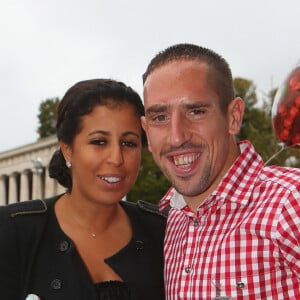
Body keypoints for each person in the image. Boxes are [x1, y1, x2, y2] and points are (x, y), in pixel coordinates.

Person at [141, 43, 300, 299]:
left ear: (234, 116)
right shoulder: (170, 221)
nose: (176, 136)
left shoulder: (290, 201)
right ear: (147, 131)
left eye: (195, 111)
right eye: (160, 118)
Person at [0, 79, 166, 300]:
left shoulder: (162, 231)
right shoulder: (12, 231)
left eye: (129, 143)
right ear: (67, 150)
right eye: (99, 142)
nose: (116, 158)